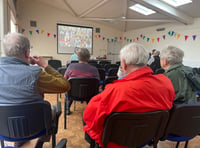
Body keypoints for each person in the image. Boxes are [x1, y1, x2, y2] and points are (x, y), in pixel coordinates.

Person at [83, 43, 175, 148]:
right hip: (146, 138)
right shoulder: (166, 83)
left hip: (115, 143)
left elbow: (88, 116)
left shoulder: (114, 90)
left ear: (123, 64)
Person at [0, 32, 70, 147]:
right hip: (35, 128)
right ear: (27, 53)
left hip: (3, 128)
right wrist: (44, 65)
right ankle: (39, 142)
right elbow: (64, 85)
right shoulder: (36, 74)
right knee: (51, 108)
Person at [64, 48, 100, 115]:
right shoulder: (94, 69)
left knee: (69, 89)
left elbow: (64, 79)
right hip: (90, 94)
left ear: (78, 57)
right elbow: (97, 83)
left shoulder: (71, 67)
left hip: (72, 94)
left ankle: (67, 108)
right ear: (89, 57)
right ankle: (91, 109)